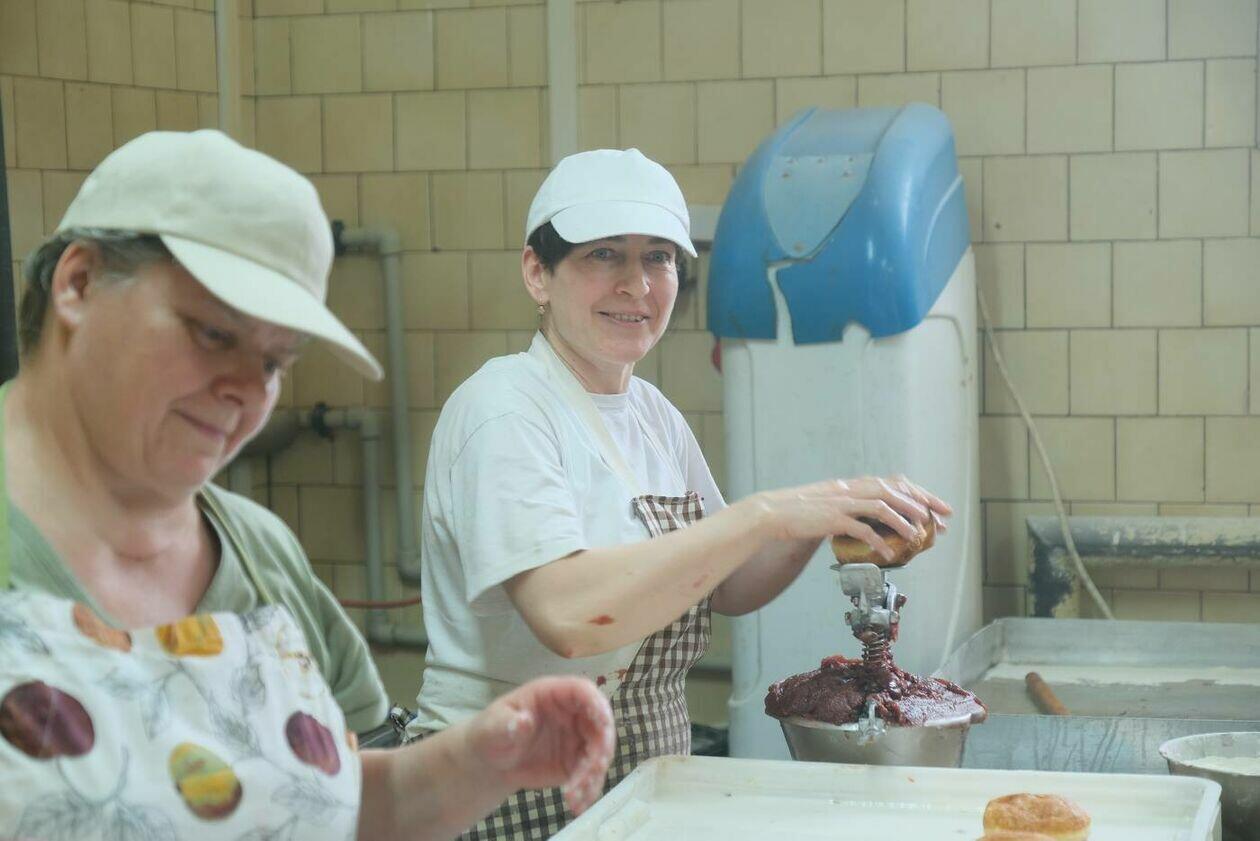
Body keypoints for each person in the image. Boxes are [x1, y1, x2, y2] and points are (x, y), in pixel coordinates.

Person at [0, 129, 614, 840]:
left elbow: (344, 802)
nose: (245, 388)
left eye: (273, 362)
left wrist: (476, 761)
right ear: (78, 283)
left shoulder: (261, 554)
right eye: (213, 334)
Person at [411, 147, 954, 838]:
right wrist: (765, 513)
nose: (636, 284)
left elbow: (725, 584)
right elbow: (567, 614)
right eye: (604, 254)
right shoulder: (503, 409)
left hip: (639, 784)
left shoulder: (653, 416)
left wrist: (820, 516)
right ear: (537, 273)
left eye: (659, 258)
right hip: (502, 795)